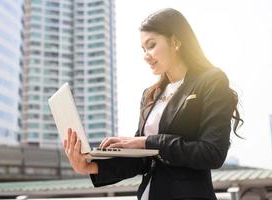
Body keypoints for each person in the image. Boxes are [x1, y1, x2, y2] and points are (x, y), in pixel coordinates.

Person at [63, 8, 243, 200]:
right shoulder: (150, 95)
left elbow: (212, 152)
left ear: (175, 41)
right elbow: (142, 160)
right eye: (143, 49)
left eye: (151, 45)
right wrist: (91, 166)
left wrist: (145, 142)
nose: (146, 55)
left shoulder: (211, 80)